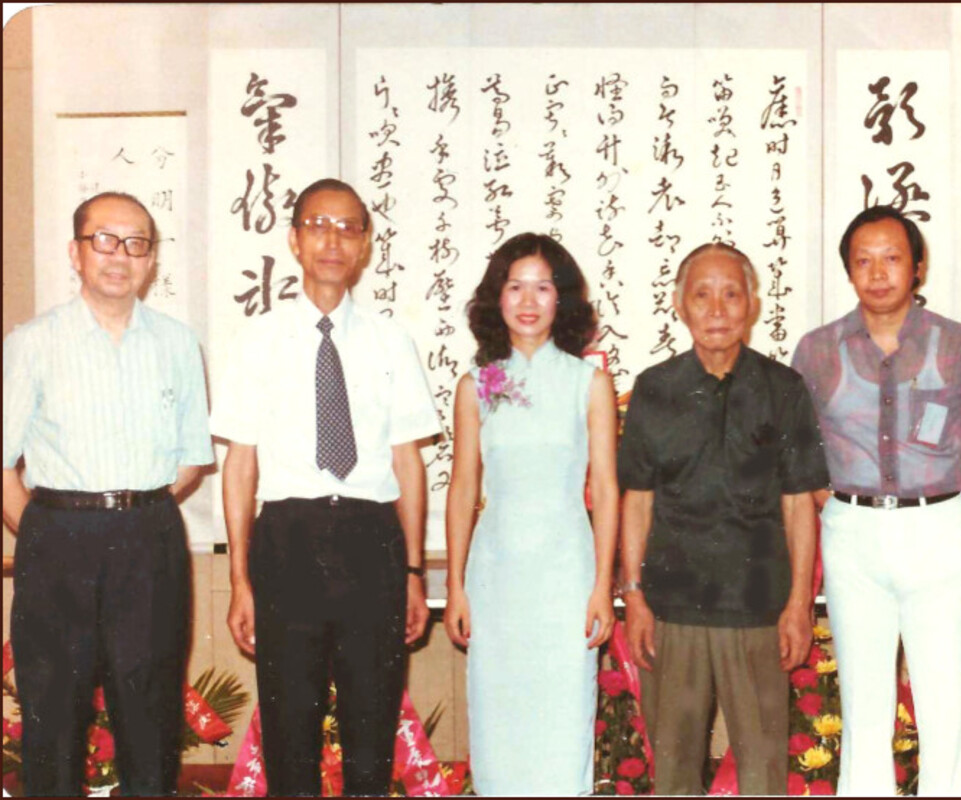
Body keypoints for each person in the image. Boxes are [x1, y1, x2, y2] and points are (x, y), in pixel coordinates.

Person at [213, 178, 440, 796]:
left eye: (347, 228)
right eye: (318, 225)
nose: (332, 240)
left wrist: (414, 572)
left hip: (372, 540)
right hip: (287, 538)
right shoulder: (255, 339)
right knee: (291, 734)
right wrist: (240, 578)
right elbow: (240, 465)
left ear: (365, 245)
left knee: (372, 733)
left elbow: (408, 464)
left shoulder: (392, 340)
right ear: (293, 239)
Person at [2, 191, 212, 796]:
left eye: (136, 243)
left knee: (150, 713)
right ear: (76, 252)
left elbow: (191, 461)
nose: (120, 255)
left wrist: (131, 509)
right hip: (58, 538)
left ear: (152, 260)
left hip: (149, 538)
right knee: (53, 714)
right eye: (104, 240)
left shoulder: (177, 343)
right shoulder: (32, 342)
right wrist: (45, 528)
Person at [791, 205, 961, 795]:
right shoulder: (817, 351)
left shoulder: (959, 346)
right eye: (864, 261)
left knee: (945, 698)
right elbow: (798, 453)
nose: (878, 272)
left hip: (937, 527)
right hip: (852, 531)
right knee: (861, 698)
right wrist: (835, 507)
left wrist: (953, 508)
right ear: (848, 272)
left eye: (892, 258)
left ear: (917, 266)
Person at [618, 242, 829, 794]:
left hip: (759, 609)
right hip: (671, 611)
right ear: (679, 305)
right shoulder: (653, 390)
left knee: (762, 773)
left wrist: (798, 604)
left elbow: (798, 502)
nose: (717, 309)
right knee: (675, 774)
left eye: (731, 294)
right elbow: (635, 500)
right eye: (702, 294)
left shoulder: (782, 390)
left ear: (752, 305)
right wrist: (635, 598)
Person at [443, 232, 618, 795]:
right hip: (495, 579)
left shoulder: (588, 382)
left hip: (566, 575)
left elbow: (608, 490)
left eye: (542, 287)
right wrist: (456, 586)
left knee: (563, 721)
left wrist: (601, 587)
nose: (527, 300)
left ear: (561, 299)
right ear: (496, 297)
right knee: (499, 723)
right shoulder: (479, 384)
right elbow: (464, 486)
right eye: (515, 286)